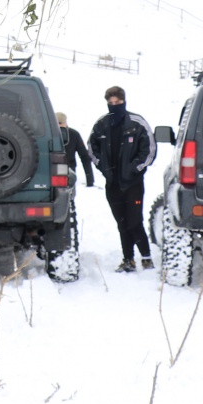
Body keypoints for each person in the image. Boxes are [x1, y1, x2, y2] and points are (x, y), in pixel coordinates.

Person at [88, 85, 153, 272]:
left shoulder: (137, 122)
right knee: (122, 223)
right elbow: (92, 148)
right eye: (111, 103)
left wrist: (135, 169)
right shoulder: (102, 124)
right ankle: (128, 259)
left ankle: (146, 257)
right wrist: (102, 167)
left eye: (118, 102)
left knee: (134, 221)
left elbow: (149, 150)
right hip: (112, 183)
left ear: (124, 101)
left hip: (133, 183)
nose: (114, 105)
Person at [56, 110, 96, 188]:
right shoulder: (47, 135)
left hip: (69, 170)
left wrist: (90, 180)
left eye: (60, 123)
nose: (58, 125)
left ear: (65, 123)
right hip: (50, 170)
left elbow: (84, 156)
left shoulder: (74, 134)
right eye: (56, 123)